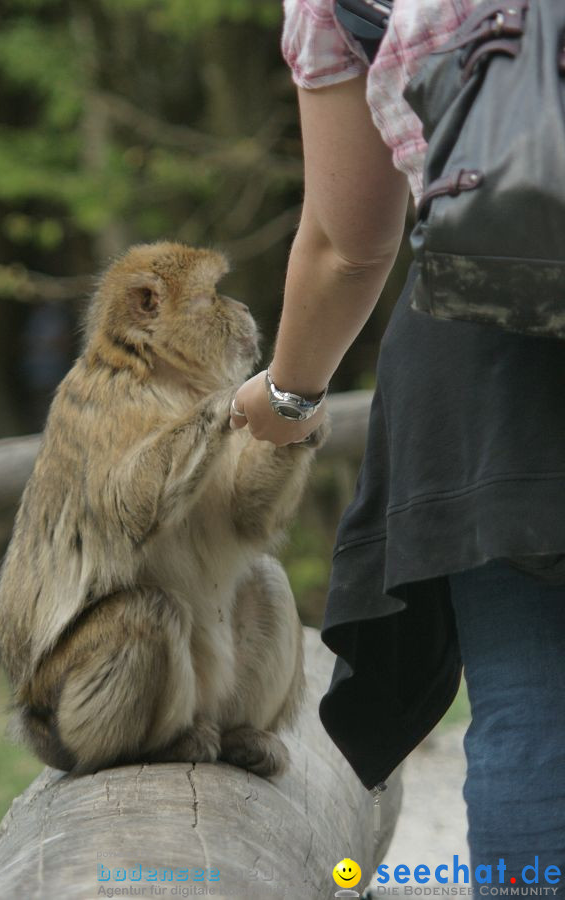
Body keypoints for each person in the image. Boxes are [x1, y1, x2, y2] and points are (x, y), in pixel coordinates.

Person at [230, 0, 565, 894]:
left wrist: (287, 393)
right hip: (493, 362)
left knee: (533, 712)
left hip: (497, 348)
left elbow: (348, 243)